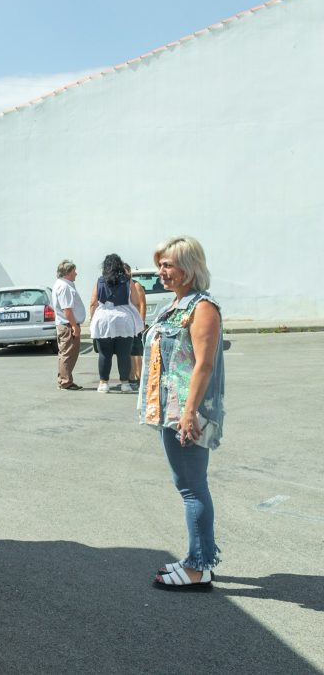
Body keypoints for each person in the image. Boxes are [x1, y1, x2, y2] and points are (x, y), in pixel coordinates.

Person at [139, 236, 225, 591]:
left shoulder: (202, 308)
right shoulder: (176, 305)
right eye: (161, 264)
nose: (162, 271)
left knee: (192, 488)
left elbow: (203, 366)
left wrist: (189, 413)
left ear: (189, 269)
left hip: (186, 412)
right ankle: (201, 555)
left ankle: (198, 566)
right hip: (169, 410)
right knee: (188, 485)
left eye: (168, 265)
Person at [88, 254, 143, 393]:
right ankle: (125, 383)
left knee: (104, 354)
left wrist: (92, 319)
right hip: (123, 319)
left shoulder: (99, 281)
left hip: (103, 319)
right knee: (124, 354)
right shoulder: (127, 281)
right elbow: (136, 301)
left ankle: (103, 383)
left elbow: (93, 302)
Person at [52, 260, 86, 390]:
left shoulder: (62, 284)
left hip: (66, 324)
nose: (76, 273)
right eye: (74, 271)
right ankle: (65, 381)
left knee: (66, 353)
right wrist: (74, 326)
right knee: (68, 353)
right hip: (67, 325)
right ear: (67, 273)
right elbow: (67, 310)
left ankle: (64, 380)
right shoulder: (64, 287)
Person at [124, 263, 147, 387]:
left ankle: (140, 376)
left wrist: (141, 322)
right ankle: (131, 376)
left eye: (125, 272)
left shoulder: (136, 285)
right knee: (128, 351)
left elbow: (142, 304)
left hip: (136, 323)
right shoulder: (123, 286)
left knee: (137, 351)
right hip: (126, 323)